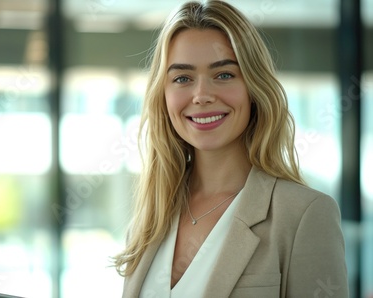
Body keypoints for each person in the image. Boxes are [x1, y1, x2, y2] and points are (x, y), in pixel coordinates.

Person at [113, 0, 349, 297]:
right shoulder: (148, 222)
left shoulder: (304, 215)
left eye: (224, 74)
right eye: (182, 78)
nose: (201, 96)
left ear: (254, 88)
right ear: (163, 95)